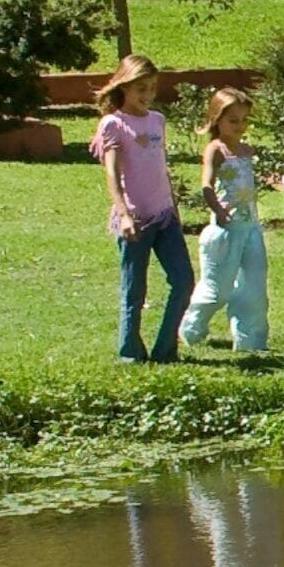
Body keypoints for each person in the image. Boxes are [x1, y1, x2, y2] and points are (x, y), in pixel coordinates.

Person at [91, 57, 192, 363]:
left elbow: (161, 167)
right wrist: (123, 214)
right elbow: (112, 173)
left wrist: (174, 208)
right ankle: (131, 352)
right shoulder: (114, 123)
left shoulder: (157, 120)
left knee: (184, 280)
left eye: (151, 88)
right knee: (135, 289)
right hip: (135, 217)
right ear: (124, 86)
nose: (147, 95)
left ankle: (165, 349)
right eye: (140, 89)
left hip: (164, 216)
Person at [179, 88, 271, 354]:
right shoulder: (215, 149)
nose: (240, 126)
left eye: (244, 120)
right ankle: (192, 327)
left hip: (251, 228)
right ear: (217, 119)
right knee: (217, 288)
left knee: (254, 284)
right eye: (233, 120)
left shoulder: (246, 150)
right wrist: (217, 210)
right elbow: (207, 185)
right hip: (226, 231)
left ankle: (251, 341)